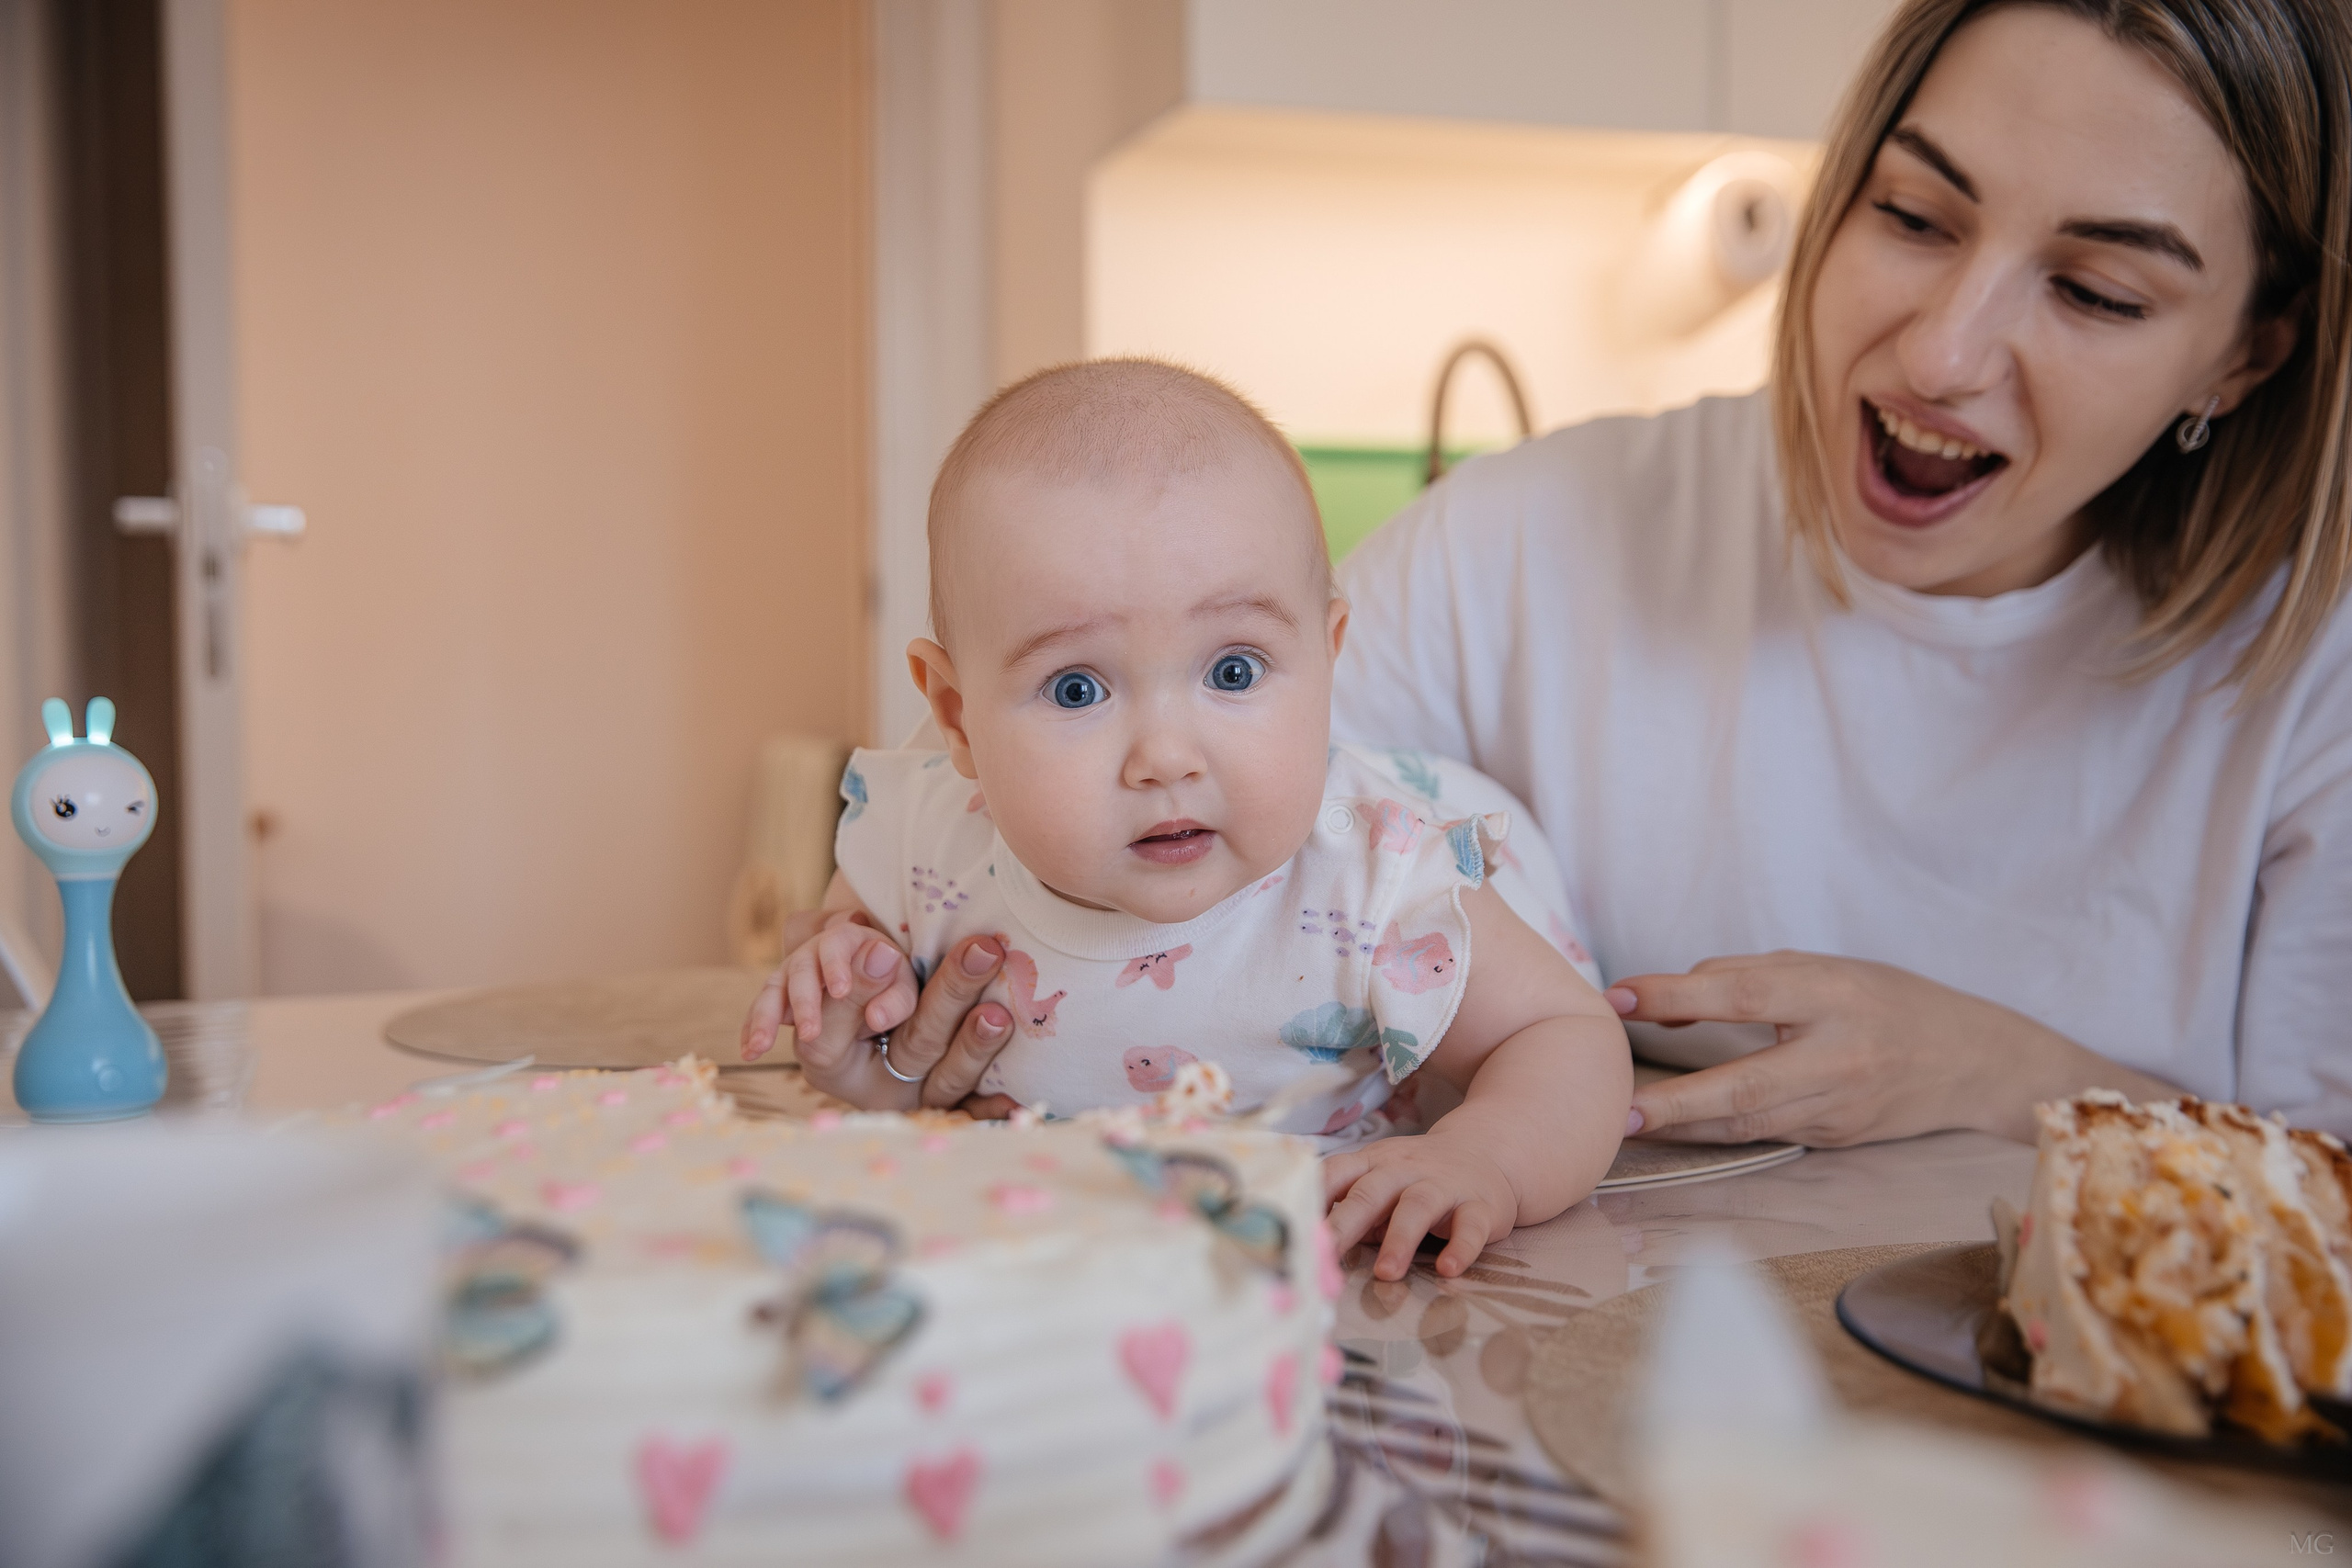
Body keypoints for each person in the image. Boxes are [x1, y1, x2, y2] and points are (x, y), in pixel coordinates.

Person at [834, 0, 2352, 1151]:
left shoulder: (2312, 679)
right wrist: (907, 1019)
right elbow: (1039, 782)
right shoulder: (1534, 543)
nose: (1946, 353)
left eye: (2095, 290)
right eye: (1909, 212)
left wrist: (2021, 1079)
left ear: (2246, 352)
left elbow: (2325, 1199)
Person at [740, 361, 1632, 1278]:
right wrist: (849, 1023)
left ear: (1326, 662)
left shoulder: (1377, 880)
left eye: (1233, 672)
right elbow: (865, 1024)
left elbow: (1565, 1038)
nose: (1165, 756)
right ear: (957, 716)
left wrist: (1483, 1154)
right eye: (1077, 688)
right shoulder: (919, 843)